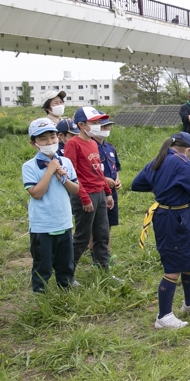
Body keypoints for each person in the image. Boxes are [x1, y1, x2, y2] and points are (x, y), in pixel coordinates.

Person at [132, 132, 190, 329]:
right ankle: (164, 315)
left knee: (188, 260)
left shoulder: (158, 160)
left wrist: (163, 189)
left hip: (173, 214)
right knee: (173, 266)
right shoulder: (181, 162)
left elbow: (137, 183)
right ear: (188, 151)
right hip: (173, 219)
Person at [23, 118, 79, 292]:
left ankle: (66, 290)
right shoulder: (30, 166)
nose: (49, 142)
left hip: (63, 222)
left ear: (58, 138)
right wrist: (50, 170)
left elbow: (75, 189)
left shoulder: (66, 162)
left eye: (52, 137)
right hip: (42, 226)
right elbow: (36, 193)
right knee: (42, 265)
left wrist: (63, 177)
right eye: (43, 139)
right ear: (34, 143)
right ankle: (40, 297)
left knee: (65, 264)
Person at [64, 107, 115, 282]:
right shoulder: (73, 144)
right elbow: (73, 173)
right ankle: (66, 275)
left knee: (102, 234)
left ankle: (103, 271)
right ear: (81, 125)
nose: (97, 125)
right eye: (93, 122)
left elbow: (99, 171)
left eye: (98, 122)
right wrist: (84, 197)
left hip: (99, 193)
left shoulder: (93, 143)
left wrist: (107, 192)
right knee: (82, 237)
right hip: (84, 195)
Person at [88, 112, 122, 260]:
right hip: (96, 190)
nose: (107, 128)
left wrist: (117, 180)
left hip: (111, 191)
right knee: (95, 224)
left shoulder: (110, 147)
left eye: (109, 125)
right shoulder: (90, 146)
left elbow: (116, 168)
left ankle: (106, 254)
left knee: (108, 223)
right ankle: (94, 253)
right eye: (104, 126)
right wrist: (104, 180)